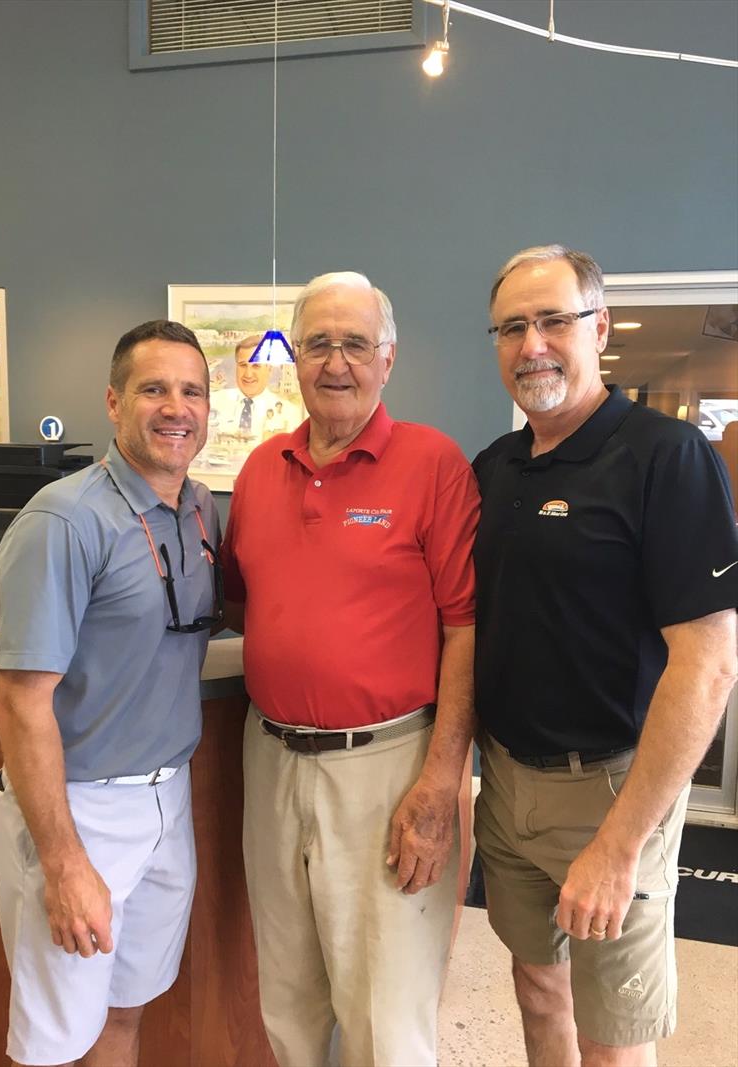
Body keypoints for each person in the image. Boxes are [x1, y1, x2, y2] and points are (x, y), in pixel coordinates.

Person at [472, 245, 738, 1067]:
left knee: (615, 1030)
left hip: (615, 789)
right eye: (513, 326)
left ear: (600, 327)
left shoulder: (668, 456)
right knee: (535, 979)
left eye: (555, 319)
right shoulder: (494, 467)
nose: (533, 344)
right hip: (508, 780)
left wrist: (621, 845)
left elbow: (709, 663)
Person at [220, 271, 480, 1066]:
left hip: (389, 765)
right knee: (289, 999)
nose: (337, 362)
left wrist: (441, 782)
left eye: (356, 344)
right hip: (270, 760)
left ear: (388, 358)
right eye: (319, 343)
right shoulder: (261, 470)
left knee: (384, 1012)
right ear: (295, 358)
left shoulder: (434, 463)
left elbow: (467, 629)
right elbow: (242, 603)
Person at [0, 319, 220, 1067]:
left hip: (166, 798)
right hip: (78, 806)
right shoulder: (63, 519)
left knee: (125, 1008)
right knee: (54, 1040)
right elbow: (20, 701)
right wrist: (64, 862)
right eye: (153, 388)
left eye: (191, 390)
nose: (174, 407)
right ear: (114, 402)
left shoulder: (200, 508)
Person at [209, 334, 298, 439]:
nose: (248, 374)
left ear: (269, 368)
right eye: (243, 365)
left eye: (256, 366)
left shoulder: (288, 412)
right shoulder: (211, 403)